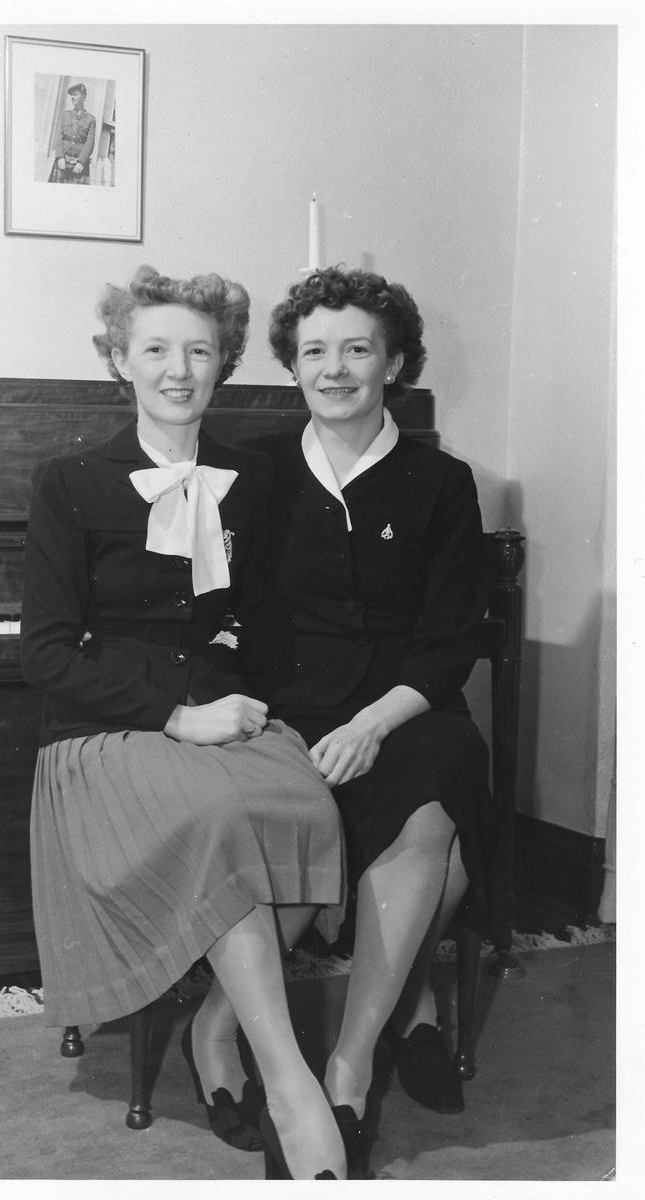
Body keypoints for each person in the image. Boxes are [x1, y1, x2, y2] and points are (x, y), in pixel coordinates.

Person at [21, 265, 348, 1180]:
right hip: (108, 732)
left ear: (223, 365)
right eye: (156, 349)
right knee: (223, 818)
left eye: (199, 351)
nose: (178, 369)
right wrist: (175, 715)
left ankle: (216, 1027)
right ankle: (292, 1087)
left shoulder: (254, 478)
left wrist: (238, 675)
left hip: (216, 711)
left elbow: (268, 614)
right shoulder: (69, 481)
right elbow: (44, 652)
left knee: (312, 810)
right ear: (119, 360)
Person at [243, 266, 495, 1177]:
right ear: (292, 365)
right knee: (420, 854)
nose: (335, 369)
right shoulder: (259, 471)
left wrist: (374, 724)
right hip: (290, 704)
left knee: (429, 806)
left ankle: (348, 1067)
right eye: (315, 351)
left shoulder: (442, 481)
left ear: (394, 363)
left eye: (358, 349)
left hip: (408, 702)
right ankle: (409, 1003)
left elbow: (450, 640)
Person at [48, 82, 96, 184]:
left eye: (75, 95)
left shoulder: (91, 119)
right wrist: (60, 157)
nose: (72, 97)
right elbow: (58, 137)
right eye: (71, 95)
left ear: (84, 97)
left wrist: (81, 162)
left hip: (79, 166)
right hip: (62, 161)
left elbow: (90, 143)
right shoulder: (65, 115)